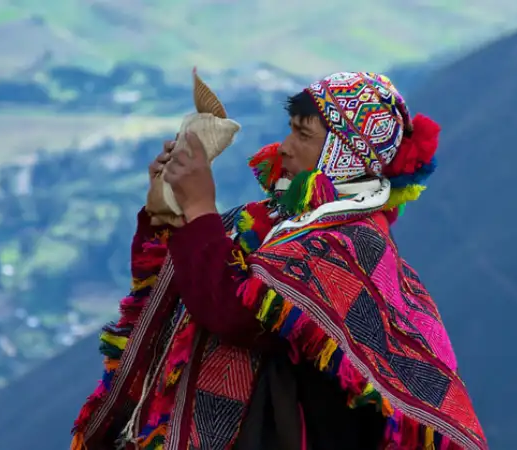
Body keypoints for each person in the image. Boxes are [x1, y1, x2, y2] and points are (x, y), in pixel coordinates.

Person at [71, 72, 487, 450]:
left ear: (342, 156)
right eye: (291, 130)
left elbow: (234, 313)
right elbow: (188, 274)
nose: (285, 147)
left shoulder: (352, 243)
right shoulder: (275, 223)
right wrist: (173, 207)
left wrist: (199, 207)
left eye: (303, 135)